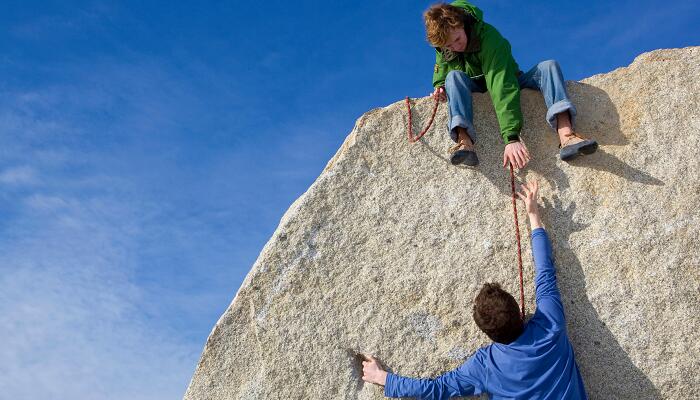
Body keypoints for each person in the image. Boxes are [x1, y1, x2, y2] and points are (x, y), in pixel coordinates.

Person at [361, 180, 589, 399]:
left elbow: (437, 389)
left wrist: (383, 378)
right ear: (519, 311)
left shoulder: (486, 366)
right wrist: (533, 214)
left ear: (488, 334)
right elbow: (544, 271)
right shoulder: (550, 324)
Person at [423, 1, 597, 167]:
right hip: (475, 84)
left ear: (461, 24)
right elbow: (443, 63)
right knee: (452, 77)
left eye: (457, 40)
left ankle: (567, 136)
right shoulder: (446, 43)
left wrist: (511, 137)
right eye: (449, 46)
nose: (455, 47)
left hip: (508, 77)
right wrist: (440, 85)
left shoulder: (489, 38)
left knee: (548, 66)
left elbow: (501, 84)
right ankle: (464, 143)